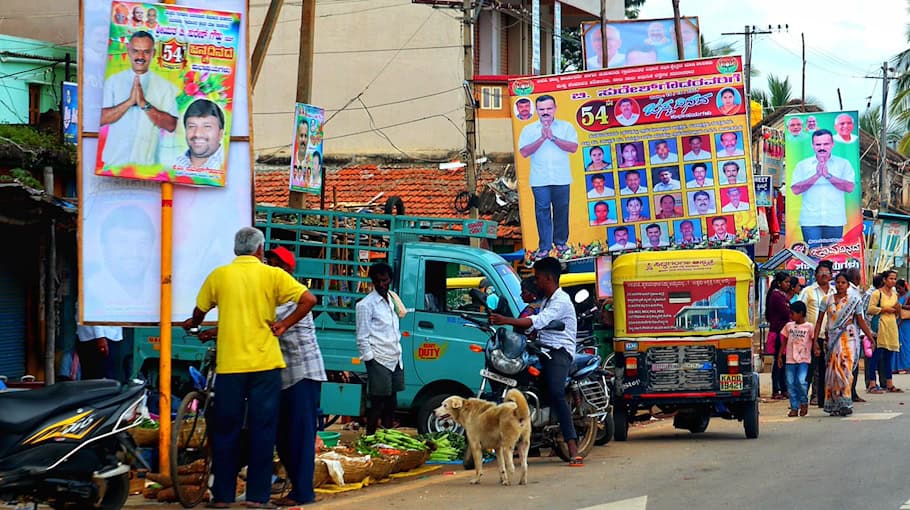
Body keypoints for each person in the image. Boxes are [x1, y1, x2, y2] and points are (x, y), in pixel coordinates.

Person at [182, 227, 315, 509]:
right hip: (265, 365)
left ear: (235, 250)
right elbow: (308, 300)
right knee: (262, 429)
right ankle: (257, 497)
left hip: (230, 366)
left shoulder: (219, 275)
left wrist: (193, 322)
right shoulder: (273, 275)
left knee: (225, 429)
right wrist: (283, 324)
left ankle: (223, 496)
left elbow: (200, 309)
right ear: (260, 250)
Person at [489, 257, 582, 466]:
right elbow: (530, 326)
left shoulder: (560, 301)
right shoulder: (544, 301)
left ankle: (573, 445)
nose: (535, 282)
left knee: (556, 392)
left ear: (548, 278)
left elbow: (538, 322)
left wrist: (506, 321)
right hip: (541, 349)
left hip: (559, 352)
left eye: (537, 278)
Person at [255, 246, 326, 508]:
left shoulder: (289, 297)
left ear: (286, 270)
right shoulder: (275, 294)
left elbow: (260, 322)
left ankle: (303, 492)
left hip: (302, 375)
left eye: (275, 263)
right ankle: (298, 487)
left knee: (299, 437)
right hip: (287, 377)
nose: (270, 266)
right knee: (285, 437)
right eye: (268, 261)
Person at [100, 31, 178, 167]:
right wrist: (129, 102)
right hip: (114, 163)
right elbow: (101, 119)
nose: (140, 57)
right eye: (135, 51)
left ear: (153, 53)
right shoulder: (113, 81)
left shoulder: (166, 87)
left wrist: (144, 104)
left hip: (148, 167)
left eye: (146, 52)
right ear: (128, 51)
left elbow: (171, 125)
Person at [518, 95, 580, 258]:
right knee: (542, 211)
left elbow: (573, 147)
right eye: (542, 109)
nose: (545, 112)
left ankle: (560, 243)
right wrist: (542, 138)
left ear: (555, 108)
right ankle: (545, 247)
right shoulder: (529, 130)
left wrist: (553, 138)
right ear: (537, 110)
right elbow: (524, 152)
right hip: (540, 179)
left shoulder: (566, 127)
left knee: (561, 210)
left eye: (548, 108)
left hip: (562, 177)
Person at [815, 271, 876, 416]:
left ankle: (845, 402)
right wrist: (815, 341)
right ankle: (834, 404)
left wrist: (870, 336)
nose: (840, 285)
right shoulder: (827, 300)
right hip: (832, 340)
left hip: (849, 339)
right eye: (837, 282)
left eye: (843, 283)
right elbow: (819, 322)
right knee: (833, 372)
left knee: (845, 370)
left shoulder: (855, 300)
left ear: (848, 285)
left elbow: (860, 320)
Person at [356, 262, 406, 435]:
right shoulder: (366, 305)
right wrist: (370, 359)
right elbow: (362, 336)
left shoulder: (392, 299)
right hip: (379, 358)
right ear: (373, 282)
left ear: (390, 280)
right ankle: (370, 437)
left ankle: (386, 438)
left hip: (395, 356)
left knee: (392, 402)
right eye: (378, 281)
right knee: (378, 402)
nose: (381, 285)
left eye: (385, 281)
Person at [790, 129, 856, 249]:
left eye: (826, 144)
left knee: (832, 259)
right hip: (810, 221)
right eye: (818, 144)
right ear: (813, 146)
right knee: (812, 257)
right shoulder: (803, 165)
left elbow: (850, 187)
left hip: (834, 220)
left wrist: (828, 176)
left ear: (832, 144)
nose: (822, 147)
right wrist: (816, 176)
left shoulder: (843, 164)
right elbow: (795, 189)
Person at [799, 261, 835, 408]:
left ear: (831, 276)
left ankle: (821, 398)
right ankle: (803, 398)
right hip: (811, 336)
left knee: (826, 368)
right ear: (816, 275)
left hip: (831, 336)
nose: (824, 276)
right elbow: (799, 310)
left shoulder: (835, 291)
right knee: (810, 368)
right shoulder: (808, 291)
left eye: (827, 273)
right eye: (821, 273)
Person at [867, 270, 903, 394]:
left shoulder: (894, 295)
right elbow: (870, 309)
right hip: (880, 327)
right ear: (884, 280)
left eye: (894, 279)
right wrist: (883, 309)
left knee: (888, 356)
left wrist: (898, 309)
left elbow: (898, 313)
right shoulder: (877, 294)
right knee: (876, 356)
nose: (893, 281)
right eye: (890, 279)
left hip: (891, 327)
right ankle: (872, 383)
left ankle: (889, 383)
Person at [779, 301, 814, 417]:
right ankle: (794, 407)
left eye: (793, 313)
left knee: (801, 382)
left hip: (804, 359)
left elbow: (813, 341)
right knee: (790, 383)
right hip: (790, 360)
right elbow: (784, 341)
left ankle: (803, 402)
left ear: (801, 313)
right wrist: (780, 355)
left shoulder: (809, 327)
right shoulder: (789, 326)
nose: (791, 316)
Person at [174, 99, 225, 170]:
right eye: (192, 126)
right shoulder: (173, 164)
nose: (197, 134)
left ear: (220, 134)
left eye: (207, 126)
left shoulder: (230, 165)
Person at [75, 314, 124, 380]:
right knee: (100, 379)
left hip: (108, 334)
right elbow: (95, 309)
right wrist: (100, 336)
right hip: (99, 337)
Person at [766, 272, 792, 400]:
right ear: (779, 283)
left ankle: (784, 388)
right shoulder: (776, 296)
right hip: (778, 333)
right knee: (779, 362)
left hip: (783, 332)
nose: (788, 284)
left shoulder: (781, 295)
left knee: (783, 361)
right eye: (786, 282)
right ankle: (777, 389)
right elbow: (786, 312)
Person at [895, 279, 910, 374]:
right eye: (896, 288)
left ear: (904, 287)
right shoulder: (896, 296)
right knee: (899, 345)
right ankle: (899, 366)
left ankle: (906, 366)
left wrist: (901, 306)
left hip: (906, 323)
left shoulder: (908, 296)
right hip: (898, 322)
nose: (898, 290)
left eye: (899, 288)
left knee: (906, 345)